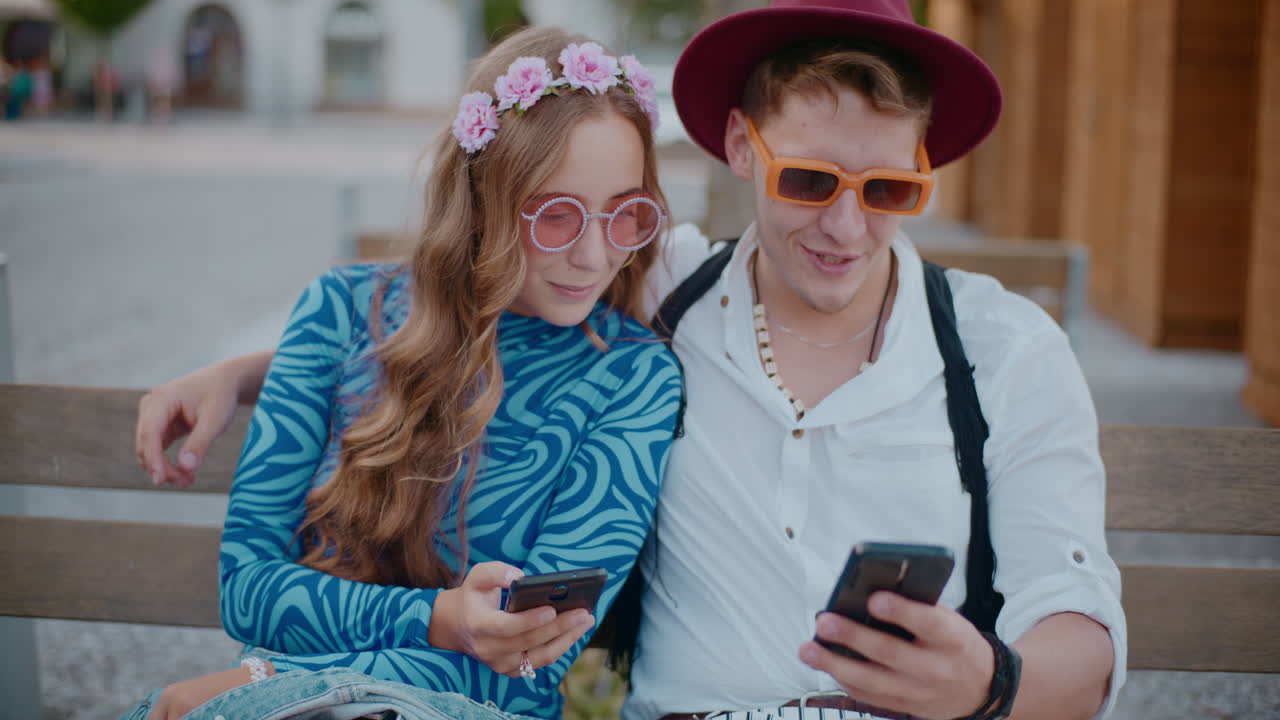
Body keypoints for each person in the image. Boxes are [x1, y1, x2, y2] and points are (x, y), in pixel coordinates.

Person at [137, 2, 1126, 719]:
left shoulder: (1000, 352)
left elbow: (1076, 622)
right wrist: (250, 372)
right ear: (740, 148)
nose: (844, 225)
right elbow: (430, 317)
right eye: (811, 178)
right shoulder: (675, 294)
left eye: (890, 191)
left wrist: (989, 687)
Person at [125, 25, 681, 720]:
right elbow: (248, 589)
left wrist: (267, 680)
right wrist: (438, 619)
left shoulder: (634, 378)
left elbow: (532, 656)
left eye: (625, 214)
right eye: (556, 215)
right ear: (482, 202)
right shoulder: (339, 311)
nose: (597, 257)